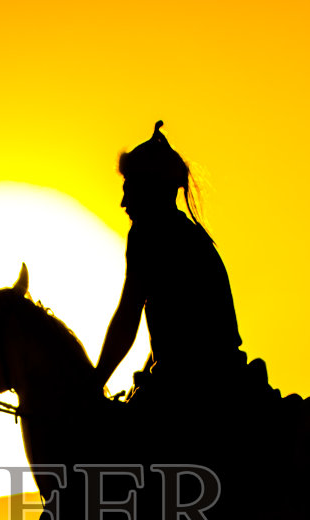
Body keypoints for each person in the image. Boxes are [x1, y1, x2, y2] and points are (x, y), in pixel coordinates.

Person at [95, 121, 252, 413]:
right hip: (229, 378)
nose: (123, 201)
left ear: (148, 189)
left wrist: (93, 383)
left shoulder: (148, 233)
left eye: (129, 189)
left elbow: (128, 316)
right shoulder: (191, 236)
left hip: (189, 390)